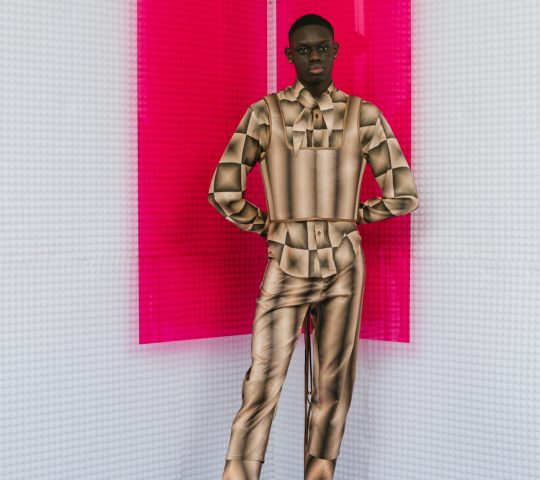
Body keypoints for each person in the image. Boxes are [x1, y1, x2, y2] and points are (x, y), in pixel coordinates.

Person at [208, 13, 419, 480]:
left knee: (333, 387)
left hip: (344, 268)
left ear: (336, 50)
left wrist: (353, 214)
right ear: (289, 56)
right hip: (286, 264)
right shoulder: (264, 113)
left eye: (322, 47)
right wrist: (268, 226)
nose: (315, 57)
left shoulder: (364, 114)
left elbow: (403, 194)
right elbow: (223, 191)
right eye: (304, 50)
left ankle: (320, 475)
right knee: (261, 384)